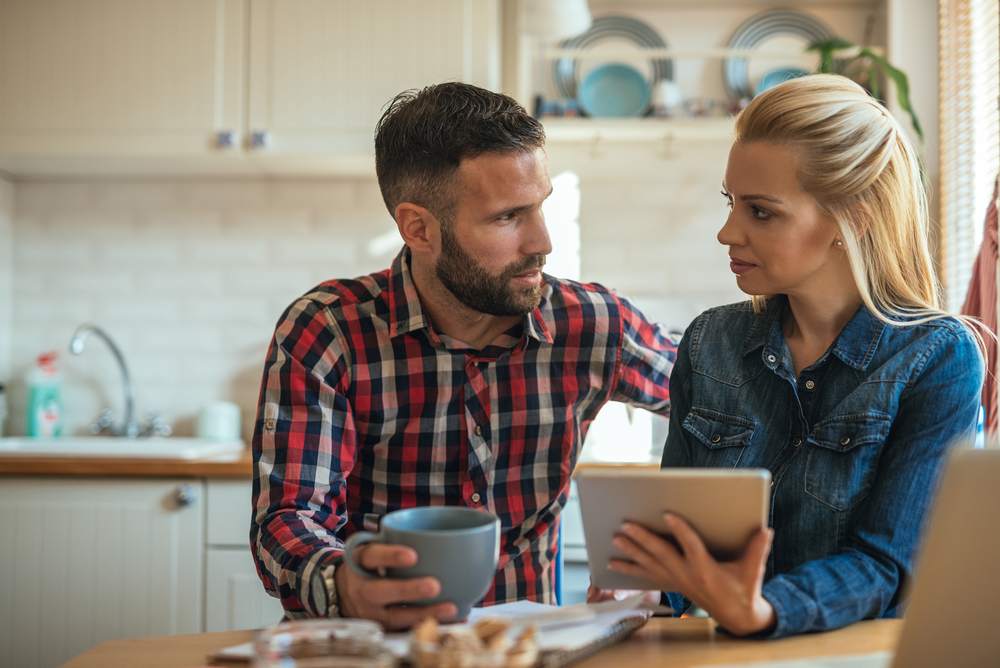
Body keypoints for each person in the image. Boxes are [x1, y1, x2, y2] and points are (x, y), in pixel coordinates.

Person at [250, 82, 676, 629]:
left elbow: (734, 405)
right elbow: (287, 520)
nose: (542, 241)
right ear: (419, 228)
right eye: (507, 217)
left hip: (526, 652)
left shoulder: (593, 324)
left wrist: (661, 563)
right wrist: (341, 583)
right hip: (366, 650)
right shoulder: (329, 330)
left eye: (541, 207)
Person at [597, 74, 986, 637]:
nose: (727, 232)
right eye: (731, 203)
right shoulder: (709, 343)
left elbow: (890, 566)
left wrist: (764, 610)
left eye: (761, 212)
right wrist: (649, 584)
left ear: (853, 217)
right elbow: (683, 543)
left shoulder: (938, 358)